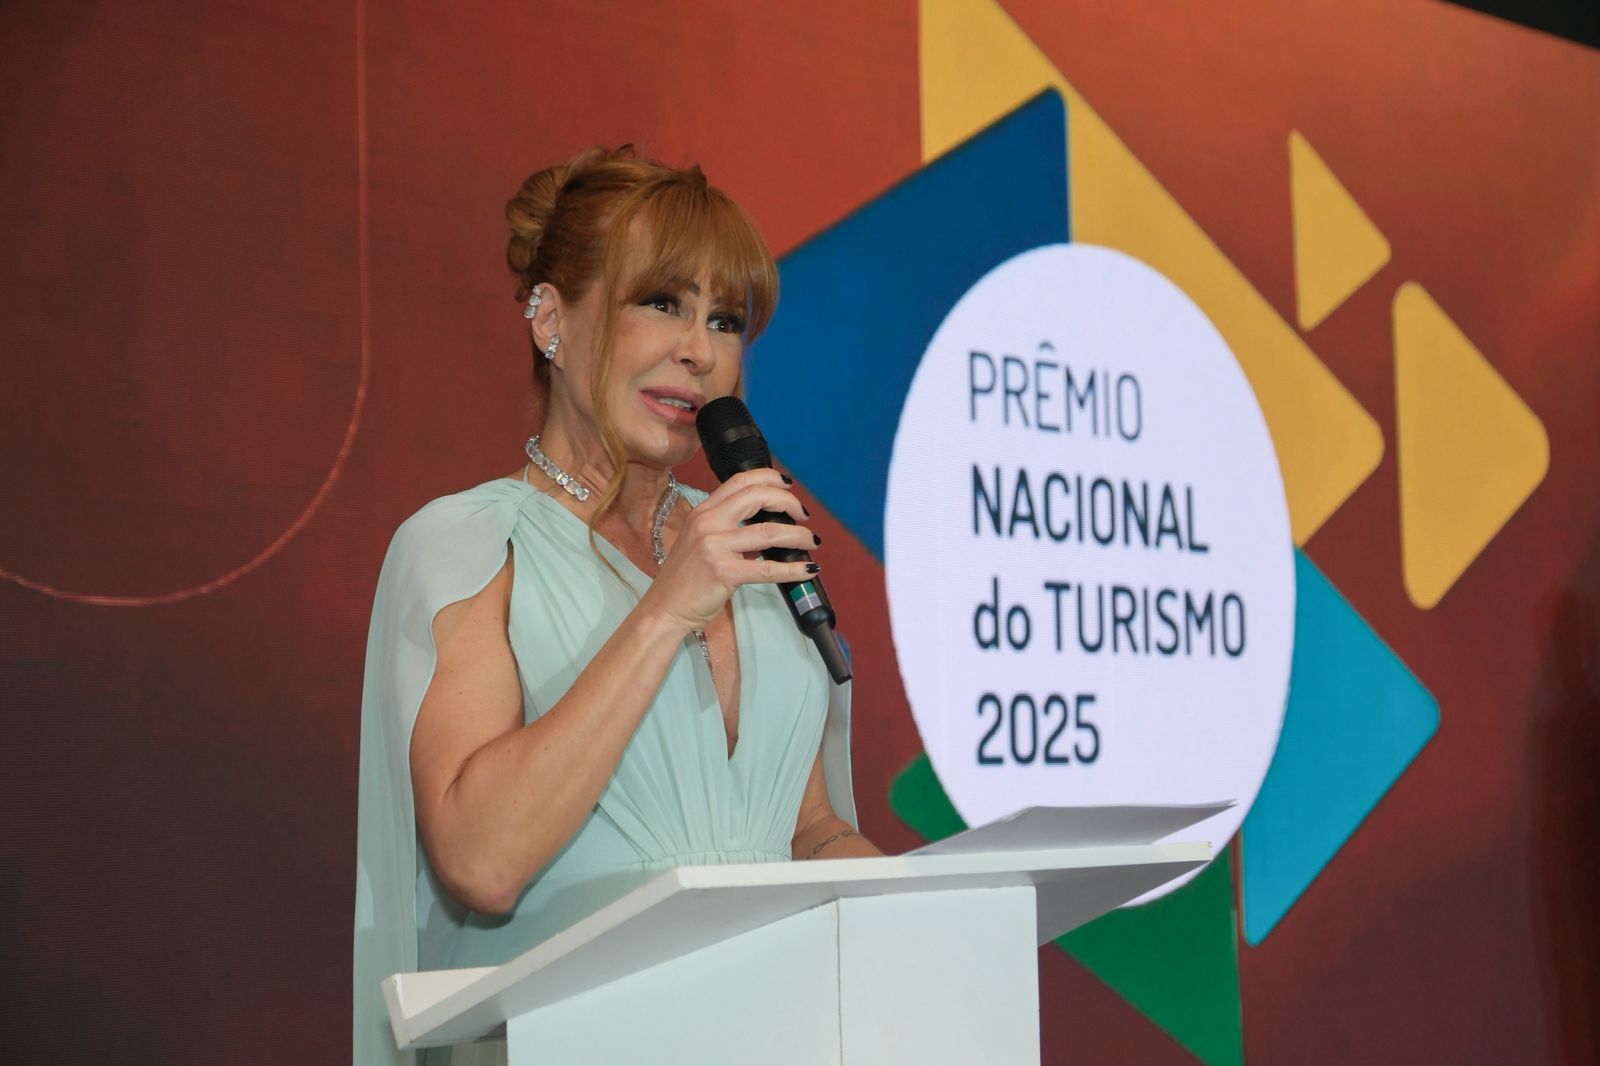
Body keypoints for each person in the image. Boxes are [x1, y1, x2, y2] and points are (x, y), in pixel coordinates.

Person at [353, 146, 878, 1065]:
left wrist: (942, 906)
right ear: (551, 319)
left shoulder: (744, 545)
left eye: (725, 320)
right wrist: (665, 610)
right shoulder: (469, 545)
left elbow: (807, 830)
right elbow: (482, 862)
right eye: (661, 303)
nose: (700, 350)